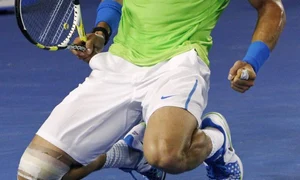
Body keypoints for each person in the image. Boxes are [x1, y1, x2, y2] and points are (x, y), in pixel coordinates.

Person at [17, 0, 286, 179]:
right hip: (119, 65)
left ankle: (217, 142)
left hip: (178, 64)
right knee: (37, 172)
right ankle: (131, 153)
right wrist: (100, 32)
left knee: (166, 156)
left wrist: (252, 61)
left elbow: (271, 7)